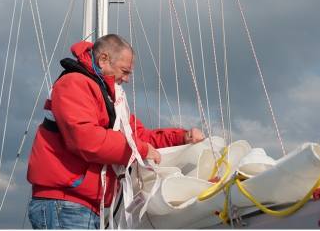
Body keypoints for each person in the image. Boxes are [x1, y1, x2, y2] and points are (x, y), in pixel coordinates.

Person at [26, 34, 205, 229]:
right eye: (124, 71)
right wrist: (141, 149)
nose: (127, 79)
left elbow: (138, 136)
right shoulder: (74, 84)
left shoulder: (108, 98)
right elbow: (86, 140)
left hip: (80, 206)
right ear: (103, 59)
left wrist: (182, 137)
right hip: (64, 204)